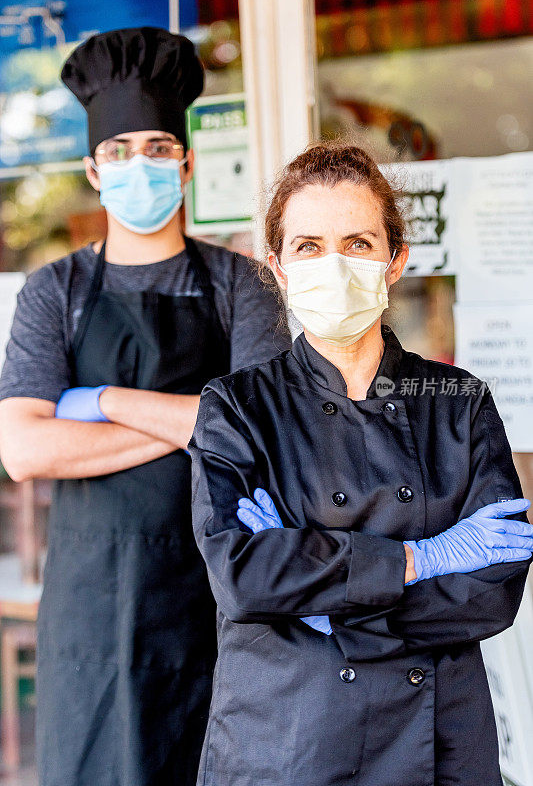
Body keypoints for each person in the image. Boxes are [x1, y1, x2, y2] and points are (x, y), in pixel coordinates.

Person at [188, 142, 533, 786]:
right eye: (309, 246)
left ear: (395, 260)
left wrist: (317, 599)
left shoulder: (459, 402)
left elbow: (492, 590)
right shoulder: (236, 409)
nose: (334, 265)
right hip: (285, 741)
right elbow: (242, 579)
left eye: (359, 243)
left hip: (434, 745)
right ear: (278, 266)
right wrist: (421, 558)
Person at [0, 27, 290, 786]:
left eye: (158, 149)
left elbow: (262, 434)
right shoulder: (53, 292)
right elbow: (26, 450)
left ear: (186, 164)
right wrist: (195, 423)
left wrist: (101, 402)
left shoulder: (242, 286)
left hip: (218, 595)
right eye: (120, 152)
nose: (141, 167)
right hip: (90, 616)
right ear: (94, 171)